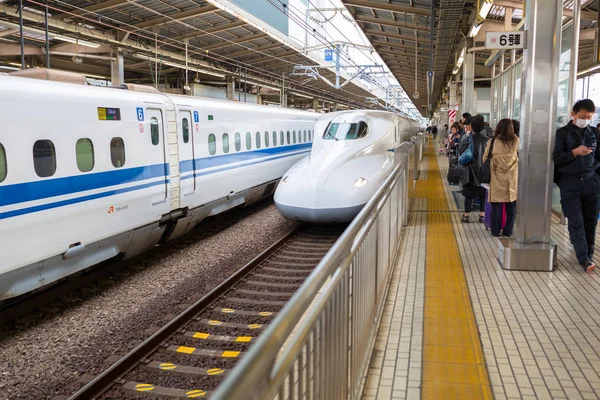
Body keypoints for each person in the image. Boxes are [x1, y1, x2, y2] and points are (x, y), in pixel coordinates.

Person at [553, 99, 599, 273]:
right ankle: (584, 259)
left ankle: (589, 254)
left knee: (590, 221)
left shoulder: (594, 133)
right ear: (573, 114)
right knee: (576, 221)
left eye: (589, 117)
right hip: (570, 184)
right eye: (582, 116)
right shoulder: (563, 133)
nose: (585, 120)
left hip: (591, 183)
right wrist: (574, 152)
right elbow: (556, 158)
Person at [483, 119, 519, 237]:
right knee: (511, 205)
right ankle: (508, 231)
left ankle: (495, 231)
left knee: (496, 205)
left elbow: (485, 159)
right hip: (511, 179)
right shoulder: (516, 141)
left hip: (496, 178)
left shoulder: (493, 142)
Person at [459, 115, 488, 223]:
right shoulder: (487, 140)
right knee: (482, 195)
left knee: (469, 195)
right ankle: (482, 216)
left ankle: (466, 215)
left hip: (469, 170)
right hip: (482, 171)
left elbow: (461, 152)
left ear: (472, 126)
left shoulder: (468, 138)